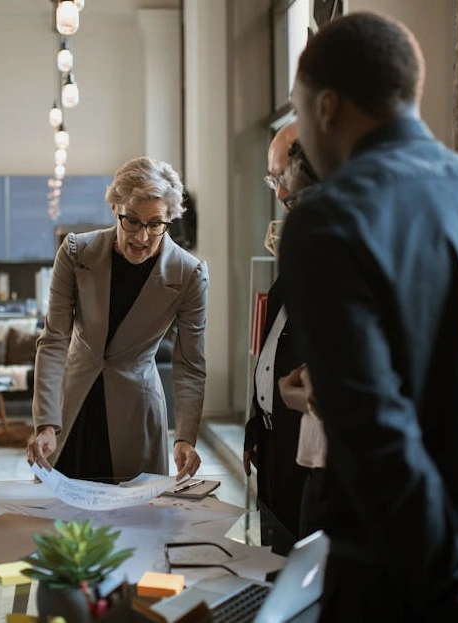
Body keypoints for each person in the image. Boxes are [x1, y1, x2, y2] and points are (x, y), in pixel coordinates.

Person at [280, 11, 458, 622]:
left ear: (327, 107)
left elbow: (375, 438)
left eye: (298, 113)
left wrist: (456, 603)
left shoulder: (326, 220)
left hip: (402, 577)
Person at [27, 157, 208, 483]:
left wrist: (185, 436)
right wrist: (45, 422)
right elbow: (54, 339)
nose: (142, 237)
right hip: (73, 408)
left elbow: (190, 363)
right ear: (114, 209)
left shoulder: (188, 273)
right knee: (60, 522)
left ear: (169, 218)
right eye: (132, 222)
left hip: (136, 414)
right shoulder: (76, 253)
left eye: (155, 224)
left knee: (134, 524)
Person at [243, 121, 321, 556]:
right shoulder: (292, 264)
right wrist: (256, 425)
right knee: (273, 551)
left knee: (300, 556)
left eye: (280, 179)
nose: (278, 195)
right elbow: (267, 353)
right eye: (271, 180)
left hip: (310, 443)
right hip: (274, 441)